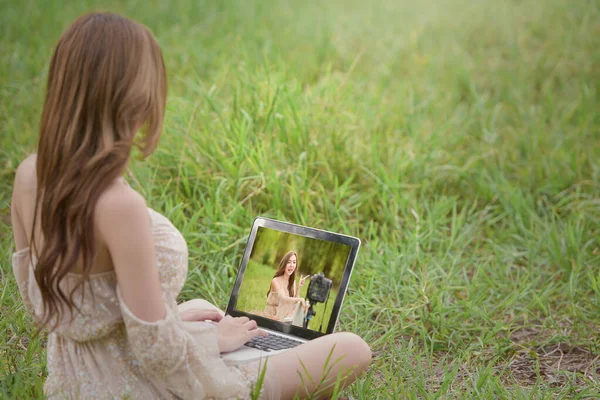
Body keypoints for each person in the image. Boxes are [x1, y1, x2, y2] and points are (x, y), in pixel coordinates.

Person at [10, 12, 371, 400]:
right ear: (136, 98)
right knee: (351, 348)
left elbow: (52, 305)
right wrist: (211, 342)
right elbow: (157, 353)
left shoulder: (30, 174)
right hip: (139, 386)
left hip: (78, 377)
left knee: (200, 307)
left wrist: (177, 321)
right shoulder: (118, 205)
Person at [264, 251, 309, 321]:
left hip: (283, 316)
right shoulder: (275, 281)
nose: (291, 265)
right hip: (271, 317)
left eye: (294, 262)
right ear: (284, 264)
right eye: (289, 262)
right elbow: (283, 299)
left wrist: (298, 288)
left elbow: (293, 304)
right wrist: (301, 299)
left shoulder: (292, 281)